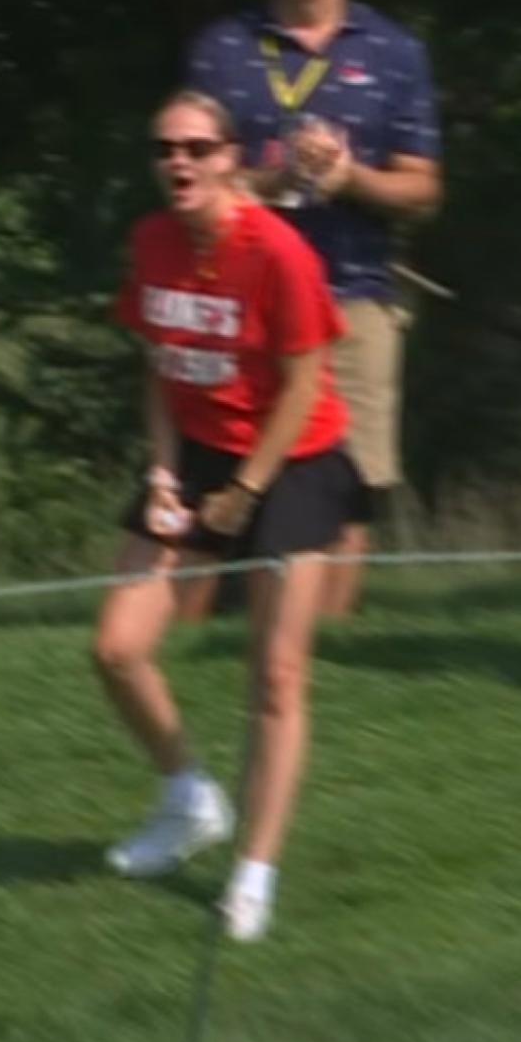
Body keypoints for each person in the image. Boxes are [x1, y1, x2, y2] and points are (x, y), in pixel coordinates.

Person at [92, 90, 360, 942]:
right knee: (117, 647)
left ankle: (254, 872)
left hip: (295, 460)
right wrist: (164, 468)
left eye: (198, 148)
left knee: (277, 676)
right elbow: (159, 366)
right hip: (198, 451)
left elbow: (307, 385)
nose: (180, 162)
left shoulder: (277, 253)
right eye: (166, 148)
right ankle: (189, 798)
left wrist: (248, 490)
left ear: (232, 157)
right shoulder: (152, 242)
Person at [185, 0, 443, 620]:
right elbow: (188, 172)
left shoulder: (393, 48)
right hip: (241, 296)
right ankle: (192, 640)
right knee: (217, 467)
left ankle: (326, 651)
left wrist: (353, 180)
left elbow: (424, 188)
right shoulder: (222, 47)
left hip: (352, 296)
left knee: (350, 489)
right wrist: (277, 181)